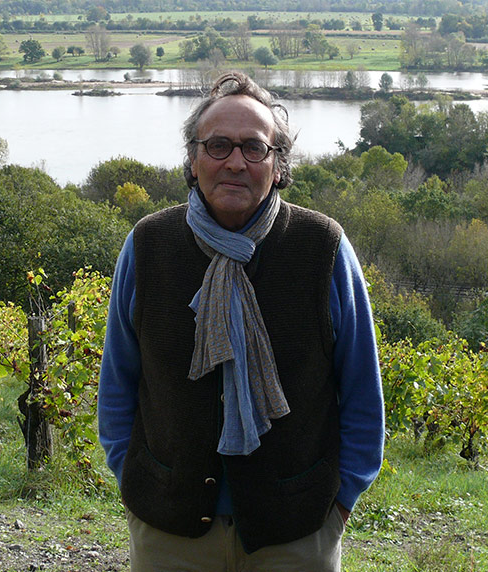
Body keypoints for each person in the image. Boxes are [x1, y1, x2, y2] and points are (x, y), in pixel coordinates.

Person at [97, 71, 384, 572]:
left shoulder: (324, 249)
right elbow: (118, 385)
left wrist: (339, 506)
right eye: (218, 145)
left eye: (254, 148)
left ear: (278, 165)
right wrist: (134, 478)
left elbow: (362, 392)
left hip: (297, 534)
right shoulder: (147, 245)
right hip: (168, 534)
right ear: (193, 159)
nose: (235, 162)